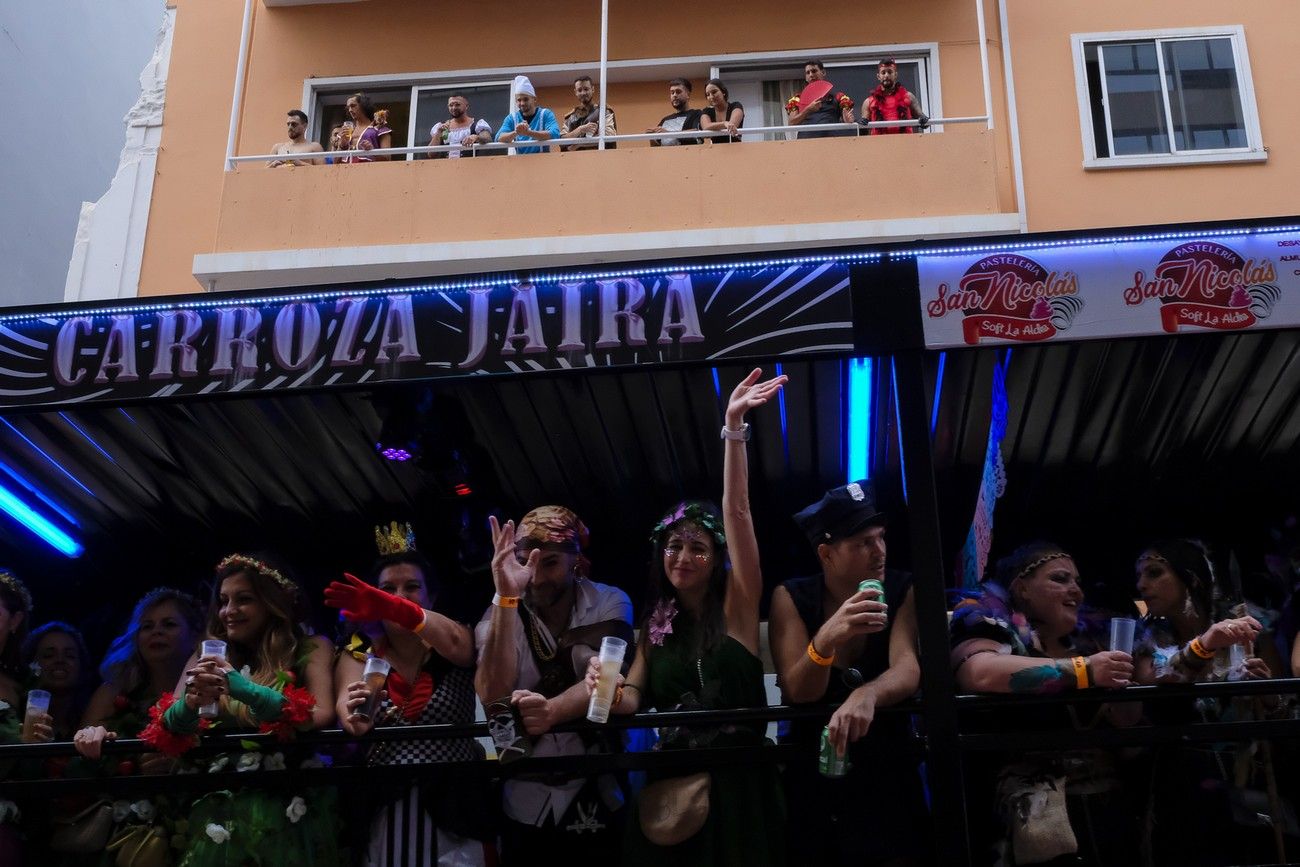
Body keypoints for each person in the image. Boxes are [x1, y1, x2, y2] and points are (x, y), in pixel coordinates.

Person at [587, 368, 788, 867]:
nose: (681, 556)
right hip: (670, 784)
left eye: (697, 548)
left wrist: (734, 429)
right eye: (673, 546)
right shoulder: (654, 624)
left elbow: (736, 512)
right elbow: (631, 696)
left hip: (739, 781)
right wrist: (605, 689)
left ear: (717, 560)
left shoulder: (739, 605)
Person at [950, 541, 1139, 866]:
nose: (1075, 590)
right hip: (1033, 819)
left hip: (1107, 809)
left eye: (1077, 582)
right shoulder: (989, 622)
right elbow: (979, 673)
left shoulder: (1093, 640)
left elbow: (1128, 721)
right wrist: (1084, 670)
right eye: (1060, 579)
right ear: (1022, 588)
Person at [147, 553, 339, 867]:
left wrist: (243, 689)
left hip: (287, 808)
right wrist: (191, 703)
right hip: (219, 808)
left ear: (272, 602)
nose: (228, 612)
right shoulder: (207, 651)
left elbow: (319, 714)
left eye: (243, 600)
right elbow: (166, 728)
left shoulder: (311, 647)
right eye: (223, 601)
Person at [771, 480, 926, 866]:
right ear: (826, 554)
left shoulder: (902, 587)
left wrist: (867, 694)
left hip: (888, 766)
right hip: (813, 774)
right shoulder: (791, 596)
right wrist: (827, 637)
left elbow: (906, 666)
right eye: (862, 543)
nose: (880, 552)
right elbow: (798, 690)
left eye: (881, 537)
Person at [474, 505, 633, 864]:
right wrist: (506, 597)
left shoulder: (610, 600)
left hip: (595, 786)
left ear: (576, 561)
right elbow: (490, 692)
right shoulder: (501, 608)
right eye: (526, 562)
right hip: (524, 795)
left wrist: (551, 711)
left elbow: (606, 672)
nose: (536, 577)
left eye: (549, 563)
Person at [327, 522, 491, 866]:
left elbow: (462, 649)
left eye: (411, 587)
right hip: (387, 808)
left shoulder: (451, 637)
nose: (397, 596)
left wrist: (398, 609)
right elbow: (346, 704)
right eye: (386, 589)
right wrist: (353, 711)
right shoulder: (359, 651)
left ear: (431, 596)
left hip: (458, 807)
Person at [1133, 539, 1275, 866]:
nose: (1142, 585)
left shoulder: (1246, 629)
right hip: (1181, 786)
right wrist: (1206, 643)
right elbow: (1154, 684)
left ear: (1190, 578)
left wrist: (1268, 694)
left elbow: (1282, 708)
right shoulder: (1147, 639)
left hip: (1247, 781)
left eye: (1154, 573)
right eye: (1139, 576)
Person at [74, 587, 205, 765]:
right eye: (147, 626)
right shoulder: (112, 693)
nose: (156, 631)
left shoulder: (208, 692)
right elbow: (78, 765)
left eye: (169, 624)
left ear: (195, 636)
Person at [785, 61, 854, 139]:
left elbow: (847, 118)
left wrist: (847, 119)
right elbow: (792, 123)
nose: (811, 75)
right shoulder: (797, 99)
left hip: (831, 142)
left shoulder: (838, 97)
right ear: (806, 77)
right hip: (807, 143)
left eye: (814, 71)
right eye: (808, 73)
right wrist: (808, 110)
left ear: (823, 72)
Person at [495, 75, 560, 155]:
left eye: (526, 99)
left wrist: (528, 132)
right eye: (519, 100)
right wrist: (516, 132)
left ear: (534, 99)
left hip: (543, 162)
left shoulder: (545, 114)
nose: (522, 103)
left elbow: (555, 134)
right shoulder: (512, 118)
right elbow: (499, 138)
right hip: (521, 163)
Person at [862, 59, 928, 134]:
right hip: (879, 144)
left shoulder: (908, 96)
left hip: (905, 143)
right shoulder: (869, 101)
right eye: (883, 73)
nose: (886, 75)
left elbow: (925, 123)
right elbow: (863, 130)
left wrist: (924, 119)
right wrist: (851, 121)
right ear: (878, 76)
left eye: (890, 72)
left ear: (895, 75)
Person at [560, 75, 617, 150]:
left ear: (593, 89)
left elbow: (609, 137)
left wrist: (578, 144)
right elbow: (562, 141)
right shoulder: (571, 117)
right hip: (576, 159)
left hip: (599, 157)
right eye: (579, 90)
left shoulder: (604, 111)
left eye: (586, 89)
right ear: (575, 92)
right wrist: (580, 130)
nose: (583, 93)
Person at [428, 94, 494, 159]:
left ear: (466, 106)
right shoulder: (441, 126)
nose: (454, 108)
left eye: (457, 105)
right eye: (451, 105)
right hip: (446, 168)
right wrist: (438, 133)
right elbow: (431, 154)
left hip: (470, 167)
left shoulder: (477, 124)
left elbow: (488, 139)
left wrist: (477, 137)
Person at [338, 92, 393, 163]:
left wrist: (372, 151)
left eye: (353, 106)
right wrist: (343, 146)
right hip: (345, 171)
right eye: (348, 107)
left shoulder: (379, 129)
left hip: (369, 171)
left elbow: (387, 158)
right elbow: (335, 162)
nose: (350, 110)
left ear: (363, 106)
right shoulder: (345, 131)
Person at [647, 78, 702, 146]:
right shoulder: (665, 119)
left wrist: (668, 133)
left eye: (678, 92)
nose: (674, 95)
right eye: (672, 93)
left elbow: (696, 133)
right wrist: (652, 137)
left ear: (688, 95)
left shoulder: (696, 113)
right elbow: (656, 147)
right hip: (666, 156)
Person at [699, 79, 743, 144]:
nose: (711, 96)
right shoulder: (707, 111)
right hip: (716, 150)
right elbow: (705, 127)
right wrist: (724, 123)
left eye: (714, 92)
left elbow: (732, 125)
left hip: (736, 148)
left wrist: (715, 127)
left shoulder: (735, 105)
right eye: (708, 94)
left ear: (723, 92)